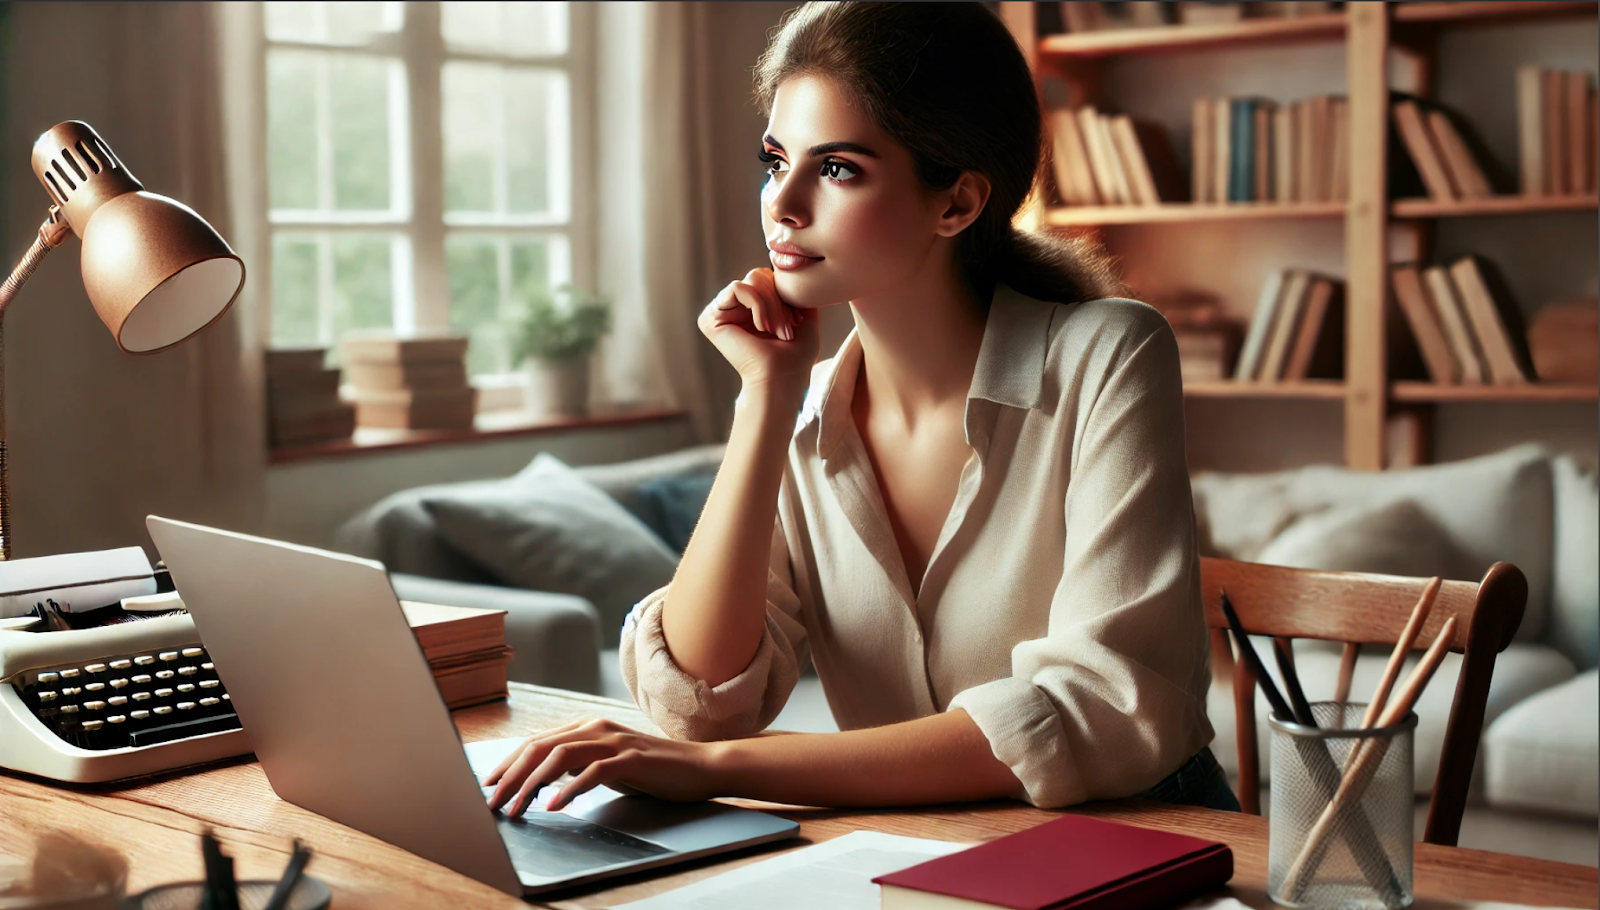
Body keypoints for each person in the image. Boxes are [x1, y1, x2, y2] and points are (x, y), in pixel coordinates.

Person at [484, 1, 1238, 818]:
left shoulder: (1107, 353)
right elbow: (701, 696)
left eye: (837, 169)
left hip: (1147, 838)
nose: (783, 203)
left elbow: (1097, 705)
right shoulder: (804, 410)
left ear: (956, 203)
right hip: (910, 852)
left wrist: (724, 769)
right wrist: (765, 402)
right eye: (776, 161)